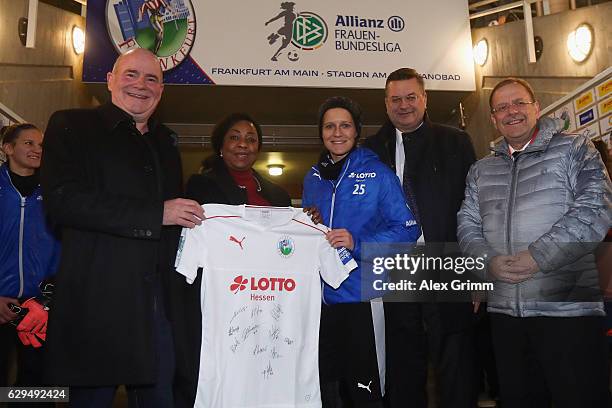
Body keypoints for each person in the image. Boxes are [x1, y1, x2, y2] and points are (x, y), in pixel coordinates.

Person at [40, 48, 204, 408]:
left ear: (161, 90)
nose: (141, 85)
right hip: (97, 303)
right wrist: (155, 214)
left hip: (156, 305)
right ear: (110, 80)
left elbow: (175, 221)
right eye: (131, 74)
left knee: (160, 398)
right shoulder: (71, 125)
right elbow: (63, 201)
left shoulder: (166, 144)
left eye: (152, 79)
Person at [457, 77, 612, 408]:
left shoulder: (575, 149)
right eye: (502, 107)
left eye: (519, 103)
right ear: (493, 118)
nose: (511, 112)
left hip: (569, 311)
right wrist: (488, 261)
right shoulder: (480, 170)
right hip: (505, 317)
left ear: (536, 108)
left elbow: (596, 208)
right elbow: (467, 224)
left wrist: (538, 256)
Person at [363, 67, 478, 408]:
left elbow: (474, 209)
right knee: (402, 372)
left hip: (448, 265)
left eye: (411, 97)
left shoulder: (456, 141)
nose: (404, 105)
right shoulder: (368, 151)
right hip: (390, 268)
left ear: (424, 99)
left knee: (457, 369)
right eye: (395, 99)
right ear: (385, 104)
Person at [303, 96, 420, 407]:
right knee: (328, 388)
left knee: (366, 388)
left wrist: (358, 243)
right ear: (321, 132)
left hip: (364, 296)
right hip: (320, 302)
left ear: (356, 132)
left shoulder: (378, 173)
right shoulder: (313, 178)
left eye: (345, 126)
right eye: (329, 126)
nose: (337, 132)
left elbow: (407, 231)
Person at [174, 112, 294, 407]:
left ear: (259, 147)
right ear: (221, 145)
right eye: (235, 137)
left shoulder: (278, 194)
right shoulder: (199, 187)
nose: (243, 144)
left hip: (265, 297)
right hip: (218, 299)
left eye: (251, 139)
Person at [0, 123, 59, 396]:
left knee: (38, 387)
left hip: (39, 308)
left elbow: (67, 247)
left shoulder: (57, 194)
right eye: (29, 143)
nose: (37, 150)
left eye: (41, 145)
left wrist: (47, 299)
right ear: (8, 148)